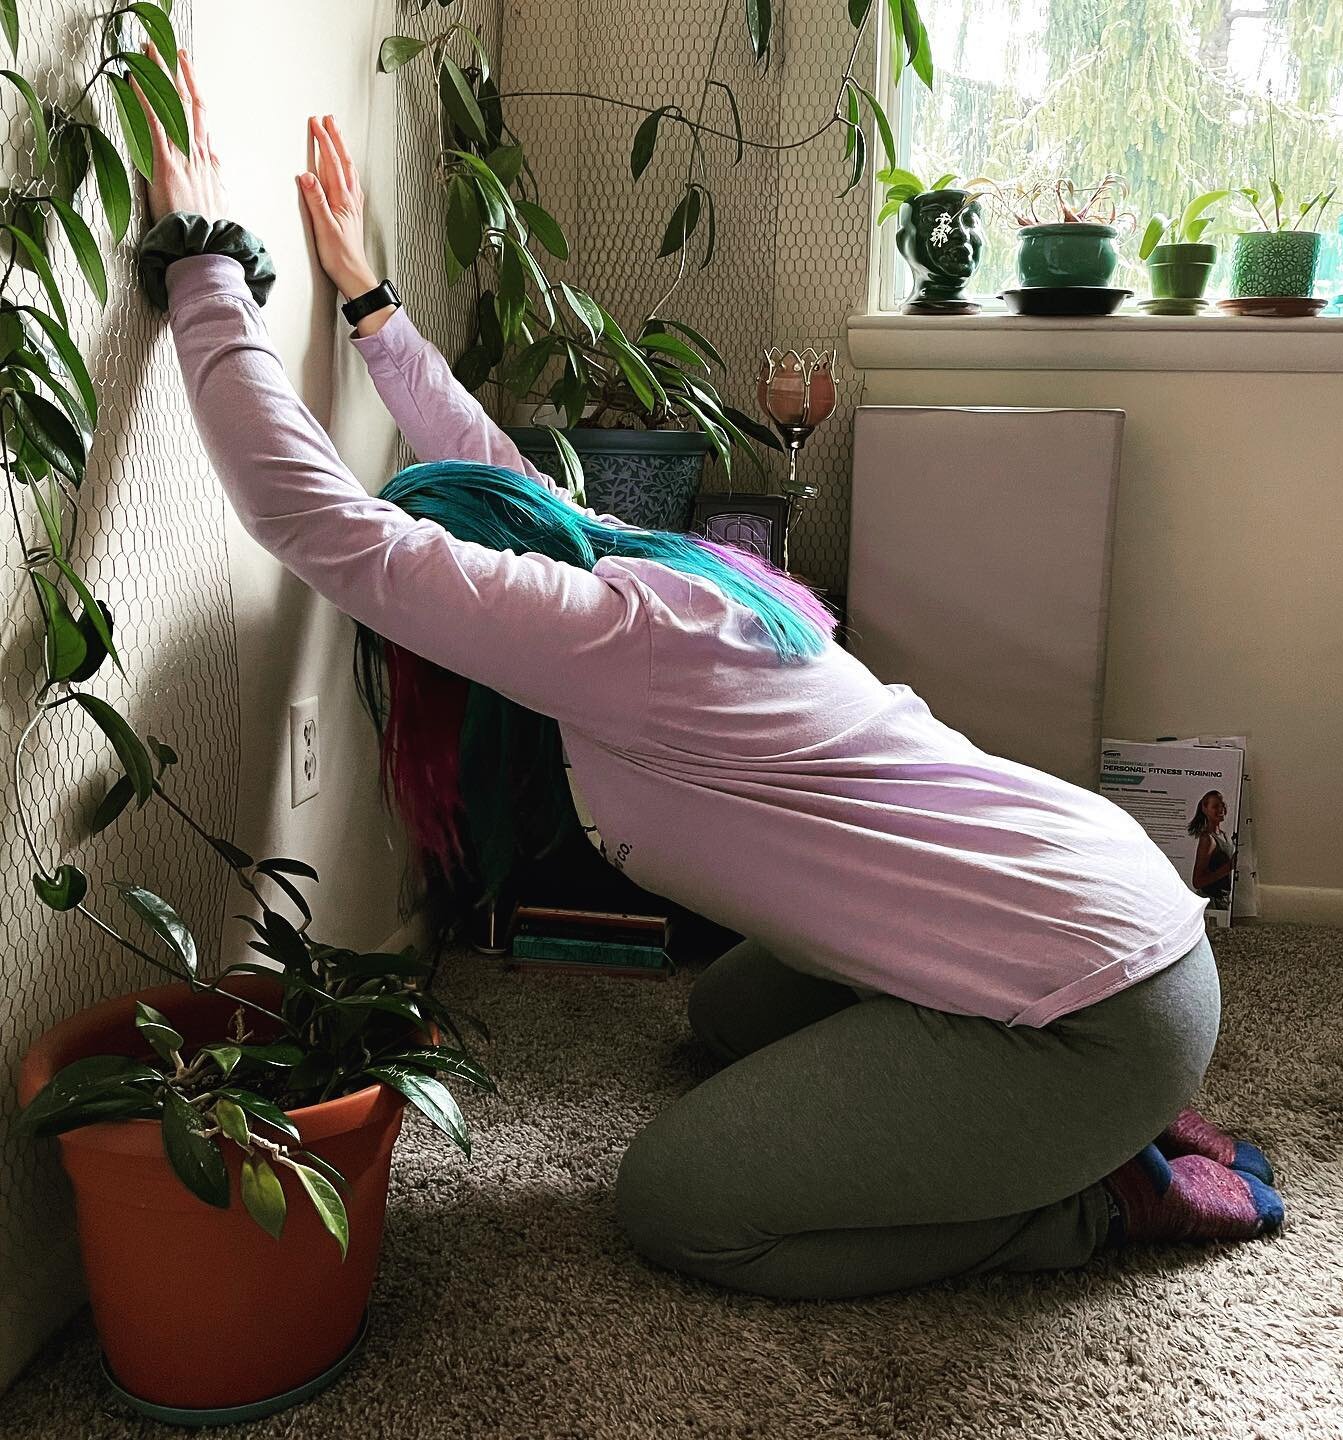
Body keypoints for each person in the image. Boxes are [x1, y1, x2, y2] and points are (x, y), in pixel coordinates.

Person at [131, 48, 1282, 1302]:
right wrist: (373, 311)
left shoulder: (616, 638)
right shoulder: (635, 573)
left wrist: (201, 262)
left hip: (1102, 1008)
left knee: (683, 1209)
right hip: (1085, 888)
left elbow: (325, 531)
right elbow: (489, 475)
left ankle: (1101, 1199)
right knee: (728, 1018)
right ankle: (1013, 1123)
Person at [1189, 790, 1237, 907]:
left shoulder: (1225, 836)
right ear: (1205, 810)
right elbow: (1197, 882)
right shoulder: (1207, 839)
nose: (1221, 809)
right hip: (1211, 903)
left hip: (1223, 901)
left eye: (1223, 805)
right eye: (1215, 806)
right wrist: (1228, 868)